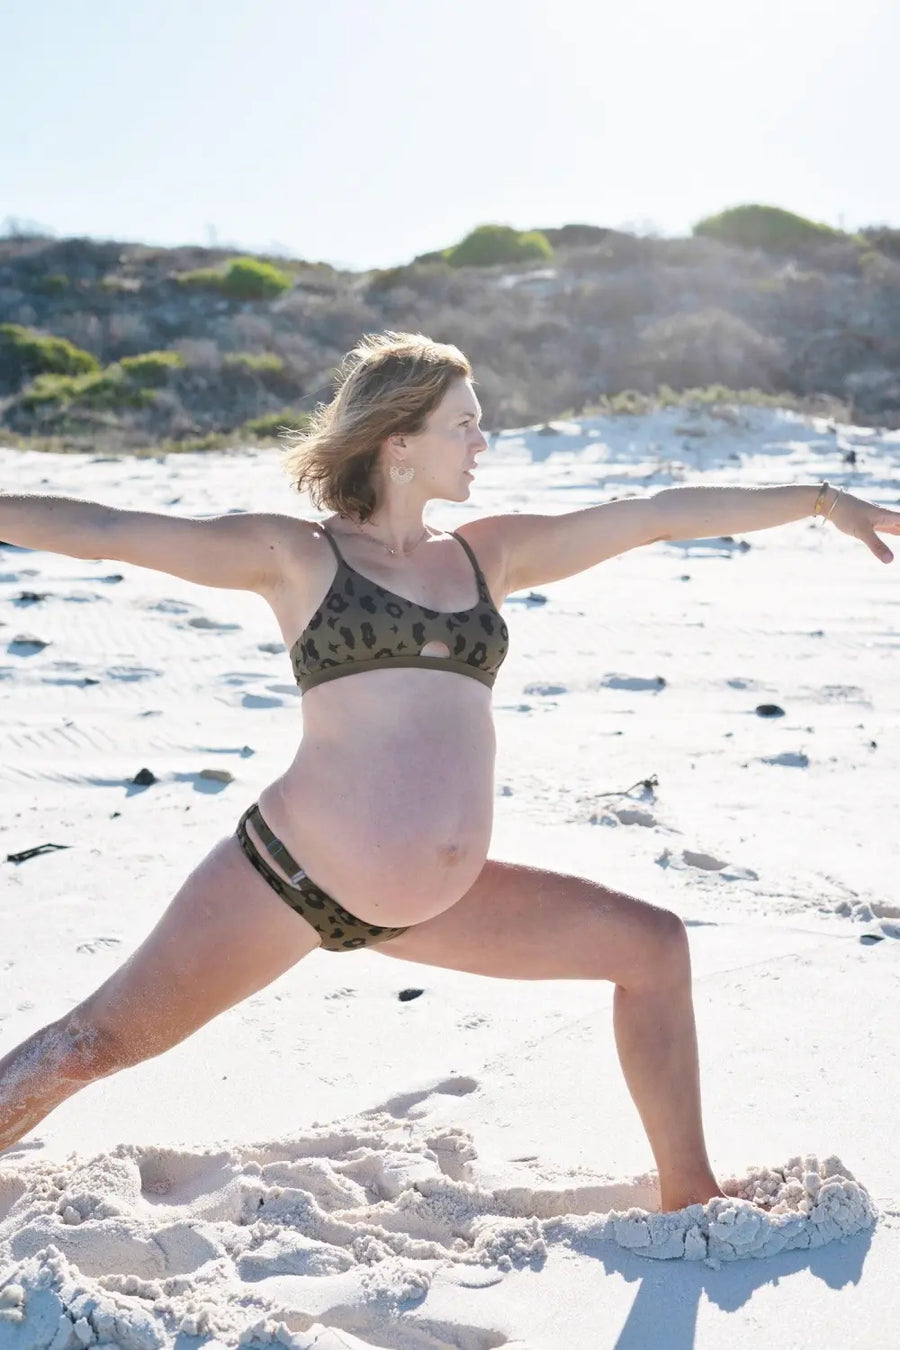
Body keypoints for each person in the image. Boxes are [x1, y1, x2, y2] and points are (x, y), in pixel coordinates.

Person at [1, 330, 898, 1213]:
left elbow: (653, 515)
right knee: (90, 1046)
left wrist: (819, 501)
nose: (481, 443)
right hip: (284, 879)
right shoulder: (296, 556)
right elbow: (110, 531)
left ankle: (689, 1189)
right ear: (399, 440)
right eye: (464, 424)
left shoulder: (487, 555)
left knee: (654, 949)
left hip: (433, 903)